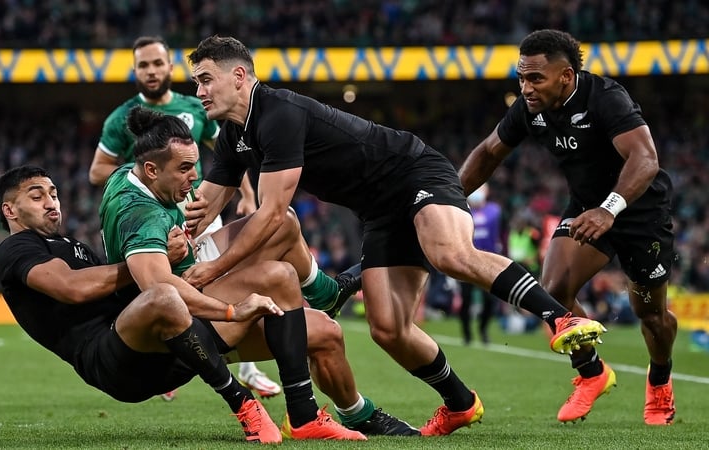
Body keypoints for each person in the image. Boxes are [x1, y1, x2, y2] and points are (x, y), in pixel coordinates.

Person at [184, 35, 608, 436]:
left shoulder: (278, 113)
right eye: (196, 82)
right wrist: (170, 242)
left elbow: (274, 215)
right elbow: (203, 207)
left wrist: (212, 269)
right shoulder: (235, 135)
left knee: (449, 254)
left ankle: (560, 317)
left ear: (238, 76)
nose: (199, 91)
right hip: (379, 212)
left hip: (414, 173)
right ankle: (460, 403)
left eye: (205, 79)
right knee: (387, 328)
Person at [98, 106, 418, 438]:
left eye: (194, 165)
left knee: (325, 327)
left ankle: (356, 409)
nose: (194, 176)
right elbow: (158, 291)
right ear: (152, 170)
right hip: (178, 327)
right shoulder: (140, 213)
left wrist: (191, 232)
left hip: (189, 276)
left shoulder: (135, 174)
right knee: (278, 276)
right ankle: (303, 415)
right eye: (184, 168)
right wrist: (233, 311)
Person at [458, 29, 677, 425]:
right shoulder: (530, 108)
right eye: (521, 78)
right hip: (587, 207)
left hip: (640, 211)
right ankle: (592, 372)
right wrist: (446, 202)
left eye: (535, 78)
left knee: (651, 315)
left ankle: (660, 380)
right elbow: (489, 152)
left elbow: (645, 159)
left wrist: (609, 210)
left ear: (566, 76)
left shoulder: (606, 97)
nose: (526, 88)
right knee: (553, 290)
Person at [0, 165, 283, 444]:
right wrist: (153, 257)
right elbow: (73, 288)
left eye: (53, 194)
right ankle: (242, 401)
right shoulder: (16, 248)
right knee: (162, 295)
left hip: (148, 348)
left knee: (282, 284)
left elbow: (120, 290)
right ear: (10, 210)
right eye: (37, 196)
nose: (51, 202)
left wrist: (174, 255)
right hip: (110, 361)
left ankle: (302, 408)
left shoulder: (70, 244)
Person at [88, 35, 280, 399]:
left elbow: (229, 152)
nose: (151, 71)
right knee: (178, 285)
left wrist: (247, 194)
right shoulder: (121, 119)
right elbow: (97, 171)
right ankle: (181, 347)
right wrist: (144, 171)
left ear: (170, 67)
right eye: (143, 65)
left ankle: (247, 367)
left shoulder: (196, 107)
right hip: (156, 217)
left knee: (247, 261)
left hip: (196, 211)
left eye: (157, 63)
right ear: (135, 71)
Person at [458, 184, 502, 345]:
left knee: (490, 301)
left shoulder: (495, 211)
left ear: (487, 192)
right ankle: (467, 334)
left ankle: (483, 329)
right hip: (465, 262)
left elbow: (503, 233)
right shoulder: (461, 209)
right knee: (466, 299)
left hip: (487, 263)